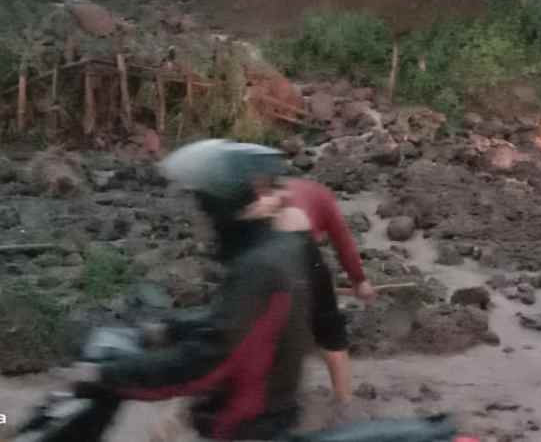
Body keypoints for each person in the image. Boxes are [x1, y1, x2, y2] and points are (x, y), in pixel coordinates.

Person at [64, 139, 315, 441]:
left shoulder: (258, 267)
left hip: (244, 427)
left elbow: (208, 361)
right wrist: (166, 330)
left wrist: (104, 376)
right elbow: (237, 324)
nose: (203, 215)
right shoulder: (278, 248)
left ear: (224, 203)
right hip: (269, 414)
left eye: (204, 203)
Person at [249, 176, 377, 407]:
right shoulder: (319, 193)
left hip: (265, 263)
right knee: (330, 335)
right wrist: (359, 280)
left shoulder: (258, 193)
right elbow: (342, 239)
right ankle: (344, 401)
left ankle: (269, 399)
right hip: (302, 256)